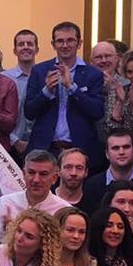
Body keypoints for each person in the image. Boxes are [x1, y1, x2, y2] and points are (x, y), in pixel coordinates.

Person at [24, 21, 105, 167]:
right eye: (60, 41)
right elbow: (29, 112)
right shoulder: (40, 70)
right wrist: (46, 91)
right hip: (45, 149)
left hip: (80, 149)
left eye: (70, 40)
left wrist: (72, 88)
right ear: (53, 44)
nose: (65, 45)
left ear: (79, 43)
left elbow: (97, 111)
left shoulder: (93, 74)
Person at [0, 150, 68, 246]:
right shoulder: (5, 203)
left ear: (54, 178)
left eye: (43, 174)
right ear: (24, 174)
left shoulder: (63, 210)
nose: (36, 180)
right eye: (31, 172)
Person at [81, 130, 133, 214]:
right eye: (115, 148)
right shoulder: (91, 186)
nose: (121, 152)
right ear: (107, 154)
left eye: (126, 147)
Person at [3, 29, 38, 158]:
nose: (25, 47)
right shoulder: (4, 79)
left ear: (37, 49)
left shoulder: (46, 77)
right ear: (14, 50)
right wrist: (15, 141)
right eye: (21, 44)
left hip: (40, 144)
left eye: (30, 44)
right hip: (10, 146)